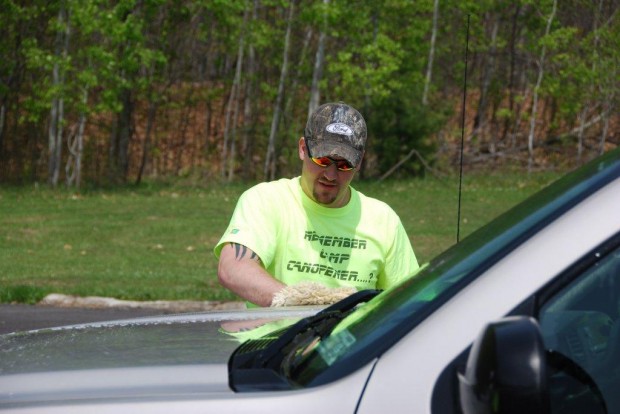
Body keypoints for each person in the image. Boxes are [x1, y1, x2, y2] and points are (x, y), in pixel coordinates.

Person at [214, 102, 419, 307]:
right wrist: (301, 303)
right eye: (322, 160)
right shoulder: (265, 200)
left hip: (352, 339)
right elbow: (233, 268)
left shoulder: (383, 220)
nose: (330, 175)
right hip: (278, 339)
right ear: (303, 149)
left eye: (344, 164)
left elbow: (410, 299)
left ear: (359, 162)